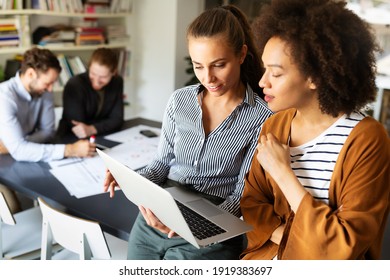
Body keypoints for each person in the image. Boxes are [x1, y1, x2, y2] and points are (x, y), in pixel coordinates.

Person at [104, 5, 273, 260]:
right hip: (157, 215)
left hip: (213, 224)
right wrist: (130, 179)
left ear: (241, 54)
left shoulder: (261, 117)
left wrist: (197, 229)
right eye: (198, 66)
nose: (209, 78)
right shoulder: (179, 101)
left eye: (219, 65)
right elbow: (160, 165)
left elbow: (242, 194)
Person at [240, 0, 390, 260]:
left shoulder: (368, 139)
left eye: (275, 74)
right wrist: (292, 237)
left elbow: (344, 243)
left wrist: (283, 172)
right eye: (265, 70)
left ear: (314, 76)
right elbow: (252, 204)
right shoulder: (274, 125)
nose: (262, 81)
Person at [0, 47, 96, 212]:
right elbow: (20, 150)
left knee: (61, 195)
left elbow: (47, 131)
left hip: (16, 154)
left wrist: (16, 145)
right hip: (3, 165)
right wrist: (70, 149)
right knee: (13, 209)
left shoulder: (44, 91)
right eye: (48, 82)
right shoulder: (4, 97)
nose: (51, 89)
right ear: (31, 74)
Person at [56, 47, 124, 139]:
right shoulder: (75, 85)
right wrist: (106, 123)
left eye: (103, 77)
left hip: (102, 136)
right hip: (71, 138)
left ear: (114, 73)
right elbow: (78, 126)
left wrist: (92, 128)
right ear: (89, 67)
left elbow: (118, 119)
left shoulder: (117, 82)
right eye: (93, 74)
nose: (96, 81)